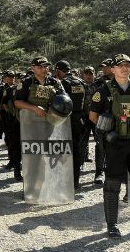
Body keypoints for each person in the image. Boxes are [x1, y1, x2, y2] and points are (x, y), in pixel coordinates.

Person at [89, 54, 130, 240]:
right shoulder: (103, 90)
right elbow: (93, 116)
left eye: (127, 65)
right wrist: (107, 129)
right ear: (113, 69)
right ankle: (112, 225)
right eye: (120, 66)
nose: (125, 68)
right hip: (116, 144)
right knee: (112, 184)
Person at [14, 57, 65, 182]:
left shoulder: (55, 82)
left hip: (49, 124)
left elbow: (64, 99)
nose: (44, 69)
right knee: (34, 155)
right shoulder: (26, 82)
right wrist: (34, 108)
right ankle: (34, 182)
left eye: (46, 66)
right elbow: (17, 102)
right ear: (33, 68)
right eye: (40, 67)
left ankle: (48, 181)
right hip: (30, 125)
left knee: (48, 152)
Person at [54, 60, 86, 189]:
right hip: (80, 119)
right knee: (76, 150)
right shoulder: (80, 82)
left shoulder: (62, 83)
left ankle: (65, 180)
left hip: (66, 119)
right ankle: (75, 181)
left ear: (58, 71)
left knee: (64, 150)